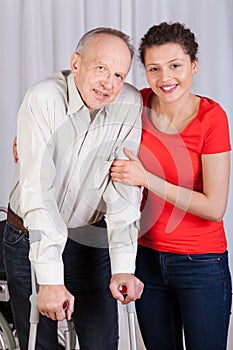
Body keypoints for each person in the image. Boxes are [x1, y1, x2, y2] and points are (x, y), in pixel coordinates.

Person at [3, 27, 144, 350]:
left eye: (119, 75)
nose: (110, 83)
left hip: (87, 240)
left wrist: (124, 266)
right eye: (101, 68)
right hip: (28, 235)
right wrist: (51, 278)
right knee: (40, 344)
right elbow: (37, 191)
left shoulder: (129, 103)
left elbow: (122, 187)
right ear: (76, 63)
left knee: (102, 341)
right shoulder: (43, 99)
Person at [110, 22, 232, 350]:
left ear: (194, 65)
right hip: (146, 259)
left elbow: (214, 206)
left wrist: (147, 180)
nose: (165, 78)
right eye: (154, 69)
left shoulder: (212, 118)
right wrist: (39, 139)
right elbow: (87, 88)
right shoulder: (137, 104)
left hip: (201, 264)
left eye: (175, 66)